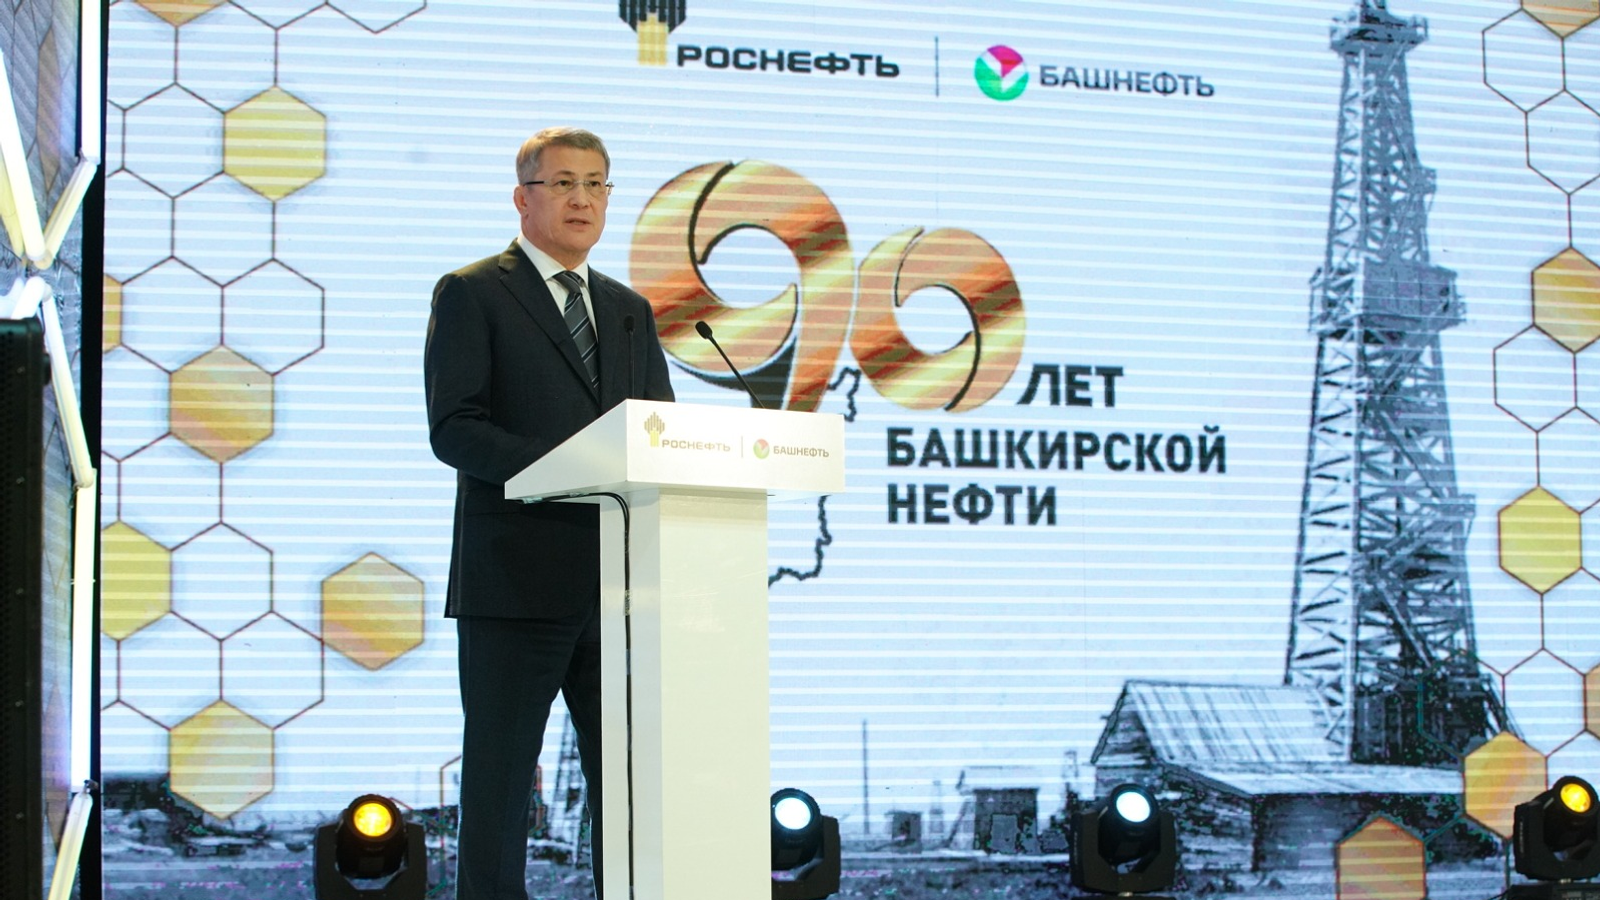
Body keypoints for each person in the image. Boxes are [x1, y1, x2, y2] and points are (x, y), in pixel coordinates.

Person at [424, 126, 674, 900]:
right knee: (500, 788)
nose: (582, 200)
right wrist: (568, 468)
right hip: (514, 583)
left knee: (629, 790)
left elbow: (661, 431)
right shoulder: (473, 292)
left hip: (619, 591)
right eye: (563, 183)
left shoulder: (628, 310)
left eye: (597, 184)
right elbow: (455, 428)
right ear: (522, 197)